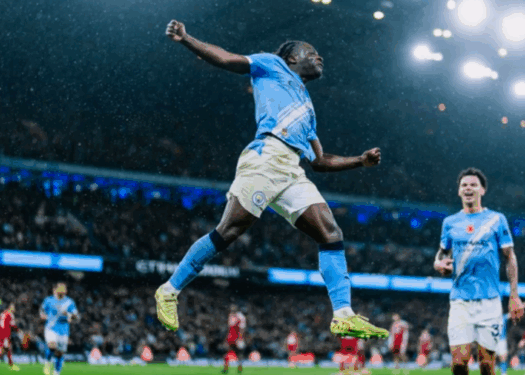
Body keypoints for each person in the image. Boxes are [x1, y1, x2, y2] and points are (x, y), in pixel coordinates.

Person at [154, 20, 387, 340]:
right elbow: (225, 58)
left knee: (330, 232)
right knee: (229, 230)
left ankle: (343, 314)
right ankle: (169, 290)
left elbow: (320, 160)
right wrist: (185, 39)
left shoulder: (307, 106)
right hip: (266, 156)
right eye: (311, 52)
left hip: (292, 169)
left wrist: (360, 161)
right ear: (292, 58)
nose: (319, 57)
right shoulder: (271, 64)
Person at [433, 167, 525, 375]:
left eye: (473, 184)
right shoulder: (450, 222)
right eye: (464, 185)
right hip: (460, 301)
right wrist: (438, 264)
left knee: (487, 364)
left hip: (489, 303)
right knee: (459, 362)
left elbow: (510, 257)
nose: (468, 188)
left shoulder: (496, 220)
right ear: (459, 190)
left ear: (482, 190)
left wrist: (515, 295)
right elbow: (440, 253)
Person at [40, 283, 78, 375]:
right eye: (60, 288)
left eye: (64, 289)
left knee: (59, 353)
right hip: (51, 328)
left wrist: (69, 314)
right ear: (55, 290)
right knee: (52, 345)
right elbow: (42, 311)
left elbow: (76, 316)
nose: (62, 291)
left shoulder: (69, 302)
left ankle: (56, 374)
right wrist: (43, 316)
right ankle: (47, 362)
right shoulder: (48, 300)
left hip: (64, 330)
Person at [0, 303, 21, 372]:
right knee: (3, 349)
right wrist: (18, 330)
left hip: (0, 333)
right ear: (10, 308)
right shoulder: (10, 314)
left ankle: (10, 364)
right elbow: (13, 325)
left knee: (7, 348)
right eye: (13, 308)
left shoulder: (3, 313)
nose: (14, 309)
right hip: (5, 334)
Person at [222, 305, 246, 374]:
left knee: (238, 354)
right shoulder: (231, 316)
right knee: (227, 353)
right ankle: (226, 368)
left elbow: (242, 329)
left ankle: (239, 368)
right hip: (231, 338)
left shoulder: (240, 317)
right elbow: (229, 329)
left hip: (237, 338)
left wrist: (240, 338)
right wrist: (227, 339)